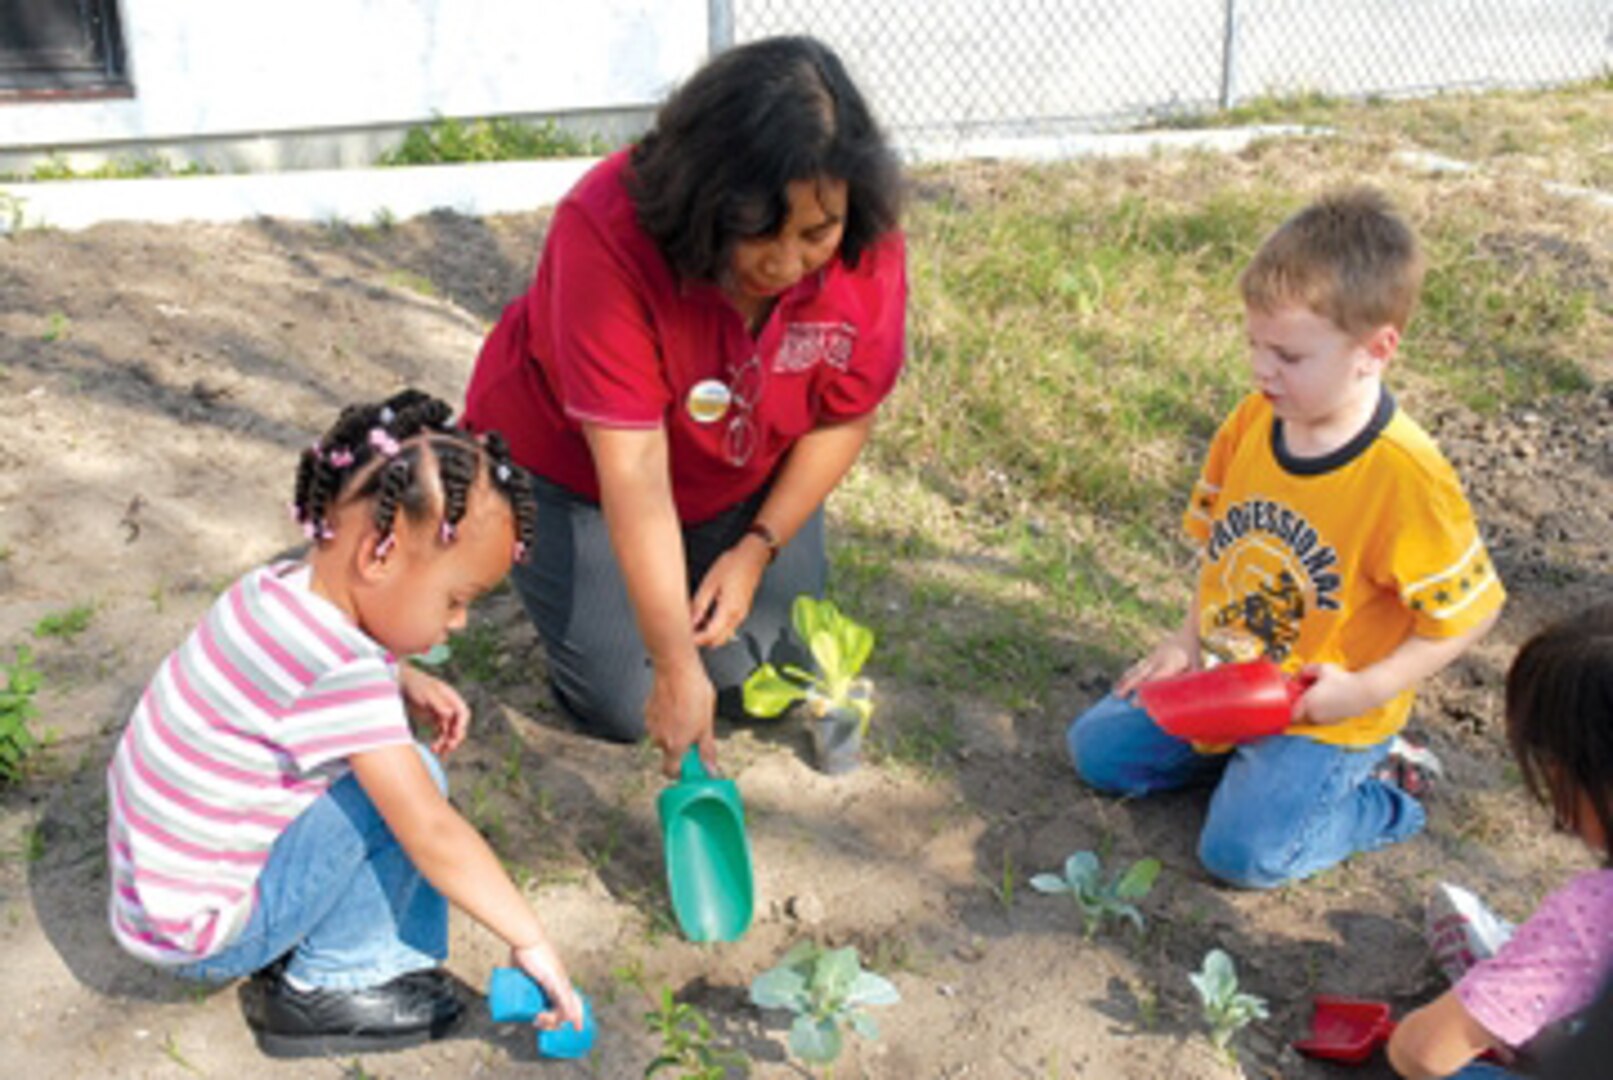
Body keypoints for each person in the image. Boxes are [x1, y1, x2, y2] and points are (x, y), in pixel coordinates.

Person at [462, 35, 906, 776]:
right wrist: (671, 665)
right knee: (626, 702)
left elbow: (843, 414)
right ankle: (555, 567)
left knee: (756, 676)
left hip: (736, 472)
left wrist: (756, 545)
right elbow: (631, 465)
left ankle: (691, 571)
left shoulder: (865, 238)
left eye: (814, 235)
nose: (785, 263)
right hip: (580, 473)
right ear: (708, 198)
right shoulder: (605, 232)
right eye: (758, 232)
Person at [105, 390, 583, 1058]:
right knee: (412, 779)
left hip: (153, 891)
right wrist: (529, 937)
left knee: (385, 772)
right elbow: (431, 832)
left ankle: (306, 936)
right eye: (455, 599)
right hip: (202, 936)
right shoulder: (341, 674)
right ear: (379, 556)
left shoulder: (275, 588)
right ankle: (337, 979)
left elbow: (317, 669)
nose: (458, 624)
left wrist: (402, 677)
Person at [1066, 188, 1504, 889]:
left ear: (1375, 349)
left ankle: (1389, 789)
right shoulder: (1251, 423)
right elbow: (1220, 551)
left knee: (1240, 858)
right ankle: (1247, 769)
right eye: (1253, 345)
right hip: (1228, 679)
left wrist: (1364, 690)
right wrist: (1184, 639)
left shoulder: (1404, 477)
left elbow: (1472, 612)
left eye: (1289, 356)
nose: (1261, 370)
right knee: (1097, 754)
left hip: (1320, 713)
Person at [1388, 603, 1613, 1079]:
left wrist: (1413, 1035)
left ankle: (1514, 990)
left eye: (1551, 764)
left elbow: (1425, 1053)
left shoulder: (1594, 915)